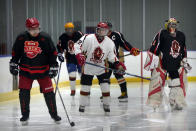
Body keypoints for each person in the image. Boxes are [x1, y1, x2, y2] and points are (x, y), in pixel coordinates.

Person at [9, 17, 61, 124]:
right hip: (25, 70)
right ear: (27, 28)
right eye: (32, 29)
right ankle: (25, 115)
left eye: (37, 29)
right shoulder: (21, 38)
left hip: (43, 71)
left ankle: (54, 114)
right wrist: (13, 63)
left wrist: (54, 66)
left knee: (49, 94)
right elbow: (15, 52)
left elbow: (52, 53)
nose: (35, 31)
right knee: (23, 93)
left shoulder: (45, 38)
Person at [74, 22, 126, 113]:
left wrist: (118, 64)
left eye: (104, 30)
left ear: (107, 31)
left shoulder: (110, 42)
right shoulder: (88, 37)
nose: (102, 32)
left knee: (105, 87)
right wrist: (79, 55)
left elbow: (112, 56)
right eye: (100, 30)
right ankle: (82, 106)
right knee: (85, 88)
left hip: (102, 68)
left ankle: (106, 105)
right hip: (88, 66)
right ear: (97, 30)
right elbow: (76, 46)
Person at [144, 18, 191, 110]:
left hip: (175, 64)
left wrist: (184, 59)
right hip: (163, 63)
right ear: (167, 25)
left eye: (175, 24)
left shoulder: (181, 35)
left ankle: (175, 101)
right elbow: (155, 46)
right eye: (171, 24)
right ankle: (154, 102)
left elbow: (183, 48)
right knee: (157, 82)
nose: (173, 26)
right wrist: (153, 56)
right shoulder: (162, 33)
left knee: (177, 83)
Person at [100, 22, 140, 102]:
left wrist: (131, 49)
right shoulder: (99, 36)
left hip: (115, 60)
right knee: (104, 77)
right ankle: (105, 93)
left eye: (107, 28)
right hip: (104, 61)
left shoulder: (116, 35)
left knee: (119, 76)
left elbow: (124, 43)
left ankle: (124, 93)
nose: (106, 30)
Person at [57, 22, 83, 96]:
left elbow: (85, 43)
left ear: (73, 29)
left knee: (82, 74)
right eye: (68, 29)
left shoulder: (79, 34)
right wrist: (59, 54)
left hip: (80, 57)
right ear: (65, 30)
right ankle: (73, 90)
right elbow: (59, 47)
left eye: (71, 29)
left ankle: (84, 89)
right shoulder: (62, 37)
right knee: (72, 74)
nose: (69, 30)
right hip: (70, 58)